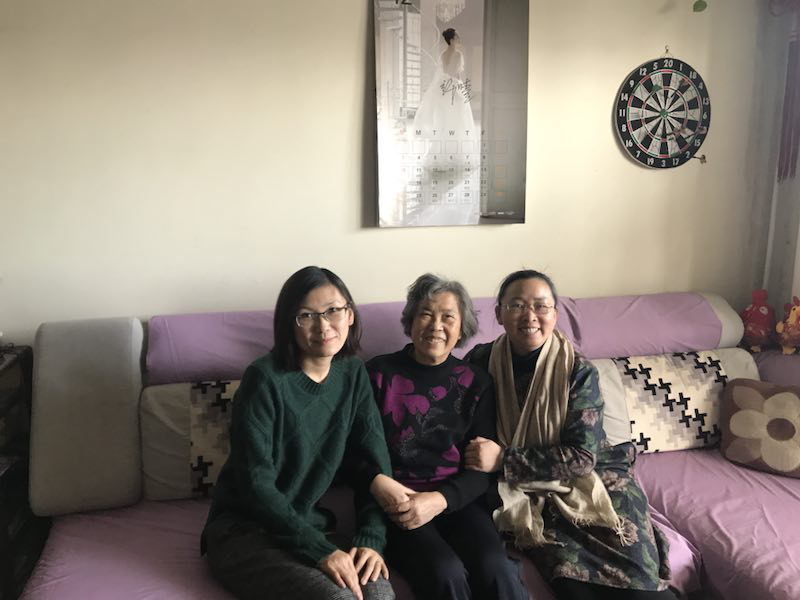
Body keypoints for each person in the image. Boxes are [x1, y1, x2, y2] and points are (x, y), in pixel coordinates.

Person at [464, 270, 678, 600]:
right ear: (499, 313)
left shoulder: (577, 371)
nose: (530, 316)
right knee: (571, 579)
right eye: (517, 305)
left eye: (541, 306)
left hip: (594, 477)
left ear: (555, 313)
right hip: (525, 489)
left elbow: (582, 457)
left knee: (637, 578)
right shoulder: (481, 361)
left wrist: (503, 460)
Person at [202, 266, 395, 600]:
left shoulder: (353, 374)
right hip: (244, 531)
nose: (324, 326)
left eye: (333, 310)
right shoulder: (263, 380)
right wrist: (319, 550)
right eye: (307, 316)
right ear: (288, 324)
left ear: (350, 314)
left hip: (309, 526)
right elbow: (255, 483)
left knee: (379, 594)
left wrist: (371, 539)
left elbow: (374, 464)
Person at [366, 274, 527, 600]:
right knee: (445, 572)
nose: (436, 325)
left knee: (496, 567)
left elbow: (480, 471)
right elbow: (360, 449)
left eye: (448, 317)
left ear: (461, 327)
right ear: (411, 320)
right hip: (399, 502)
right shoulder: (378, 374)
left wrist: (440, 500)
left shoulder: (476, 382)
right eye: (426, 314)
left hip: (458, 501)